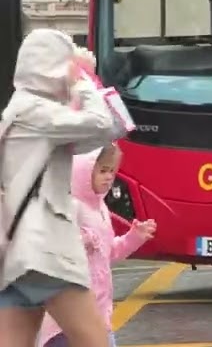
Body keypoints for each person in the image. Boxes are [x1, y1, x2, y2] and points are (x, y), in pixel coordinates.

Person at [0, 30, 125, 347]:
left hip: (15, 257)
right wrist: (80, 79)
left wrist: (87, 85)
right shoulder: (35, 112)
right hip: (45, 254)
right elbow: (102, 124)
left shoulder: (19, 112)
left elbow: (108, 131)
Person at [38, 145, 156, 347]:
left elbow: (110, 252)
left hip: (98, 309)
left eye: (112, 171)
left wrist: (135, 237)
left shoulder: (100, 208)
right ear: (84, 173)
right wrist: (84, 239)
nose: (109, 177)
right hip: (71, 312)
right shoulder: (70, 205)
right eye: (102, 171)